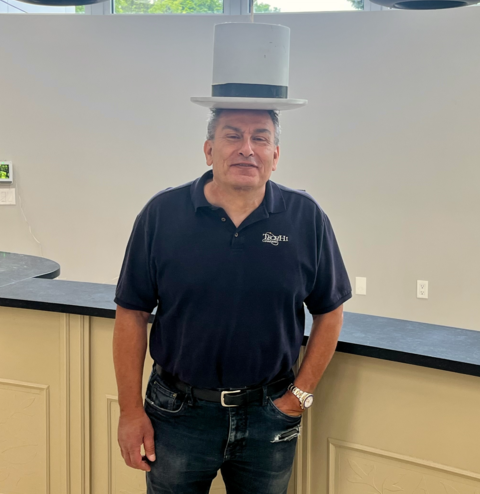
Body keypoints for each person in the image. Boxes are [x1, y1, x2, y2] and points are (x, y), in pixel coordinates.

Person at [113, 107, 352, 494]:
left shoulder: (305, 217)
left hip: (270, 414)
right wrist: (129, 412)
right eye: (232, 136)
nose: (247, 149)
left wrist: (299, 397)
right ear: (209, 150)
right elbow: (131, 312)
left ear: (275, 155)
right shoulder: (162, 214)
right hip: (176, 414)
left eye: (260, 137)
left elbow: (330, 311)